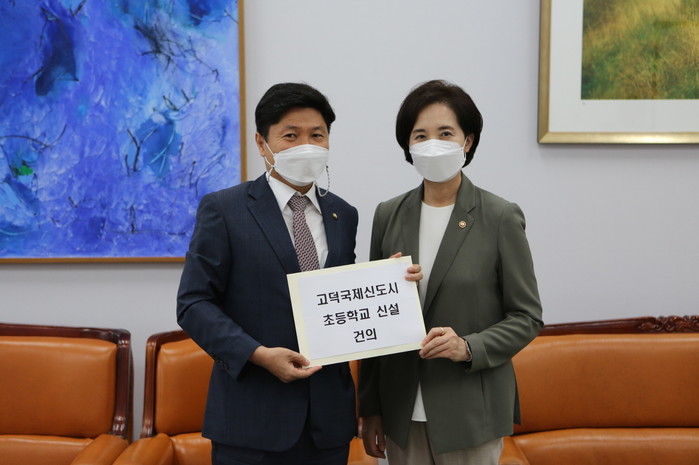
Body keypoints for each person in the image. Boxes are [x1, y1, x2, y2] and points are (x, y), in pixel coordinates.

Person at [176, 82, 421, 465]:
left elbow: (337, 299)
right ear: (262, 143)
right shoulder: (224, 209)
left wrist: (387, 282)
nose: (306, 145)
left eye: (316, 135)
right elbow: (193, 304)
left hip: (328, 423)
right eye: (291, 135)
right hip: (252, 421)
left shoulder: (344, 214)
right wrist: (258, 355)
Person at [358, 80, 544, 465]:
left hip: (469, 410)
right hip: (401, 410)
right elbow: (375, 322)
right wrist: (370, 407)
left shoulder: (499, 216)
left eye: (445, 133)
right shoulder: (388, 214)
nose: (433, 144)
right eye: (420, 135)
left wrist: (468, 346)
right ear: (408, 145)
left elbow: (527, 316)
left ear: (467, 141)